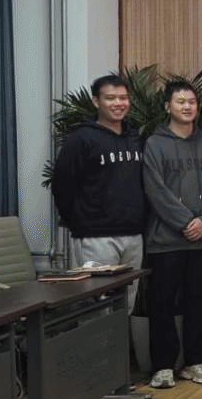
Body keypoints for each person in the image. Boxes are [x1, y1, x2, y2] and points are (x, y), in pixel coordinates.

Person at [142, 80, 202, 389]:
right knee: (162, 304)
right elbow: (155, 190)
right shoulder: (154, 144)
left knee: (200, 302)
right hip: (166, 241)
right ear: (168, 106)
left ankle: (195, 361)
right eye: (180, 102)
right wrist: (185, 222)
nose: (187, 106)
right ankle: (163, 366)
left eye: (191, 102)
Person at [50, 74, 144, 302]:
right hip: (96, 237)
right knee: (98, 306)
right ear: (96, 101)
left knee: (126, 303)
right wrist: (80, 222)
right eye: (110, 98)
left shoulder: (134, 138)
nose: (118, 103)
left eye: (123, 98)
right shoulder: (81, 139)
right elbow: (62, 186)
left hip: (133, 235)